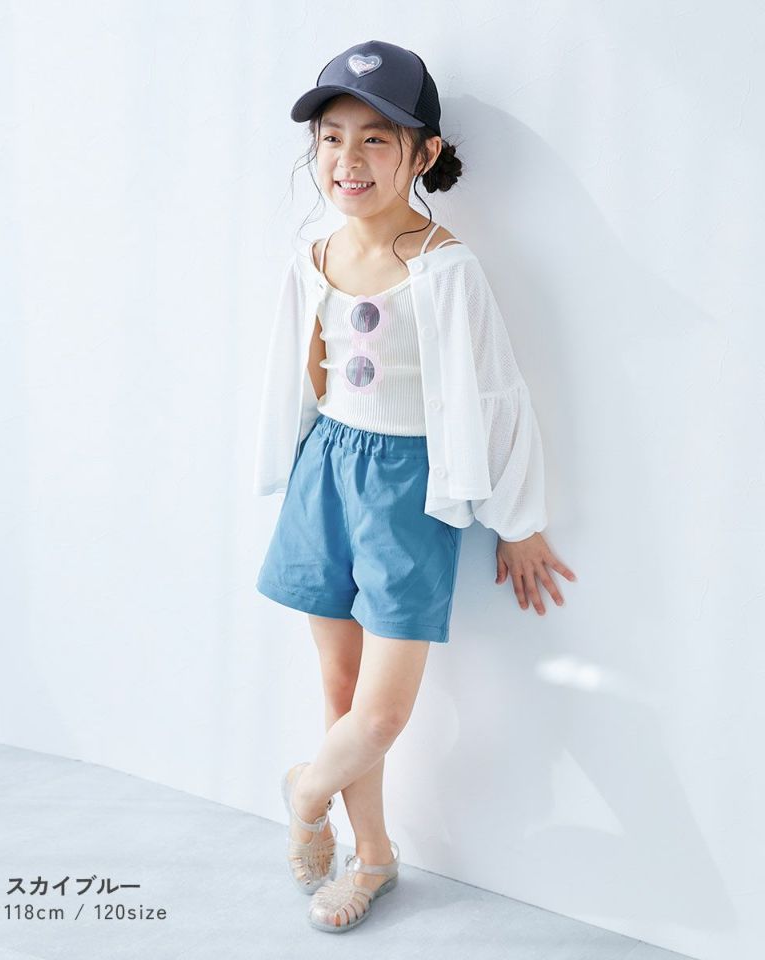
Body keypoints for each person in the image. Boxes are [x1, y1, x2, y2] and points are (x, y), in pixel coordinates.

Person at [252, 40, 578, 933]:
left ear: (423, 153)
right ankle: (374, 859)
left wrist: (518, 519)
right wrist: (296, 473)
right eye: (332, 137)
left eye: (376, 138)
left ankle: (306, 789)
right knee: (340, 688)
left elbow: (495, 391)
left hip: (409, 490)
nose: (348, 159)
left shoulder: (445, 267)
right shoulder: (313, 257)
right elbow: (305, 376)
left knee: (380, 713)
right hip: (326, 474)